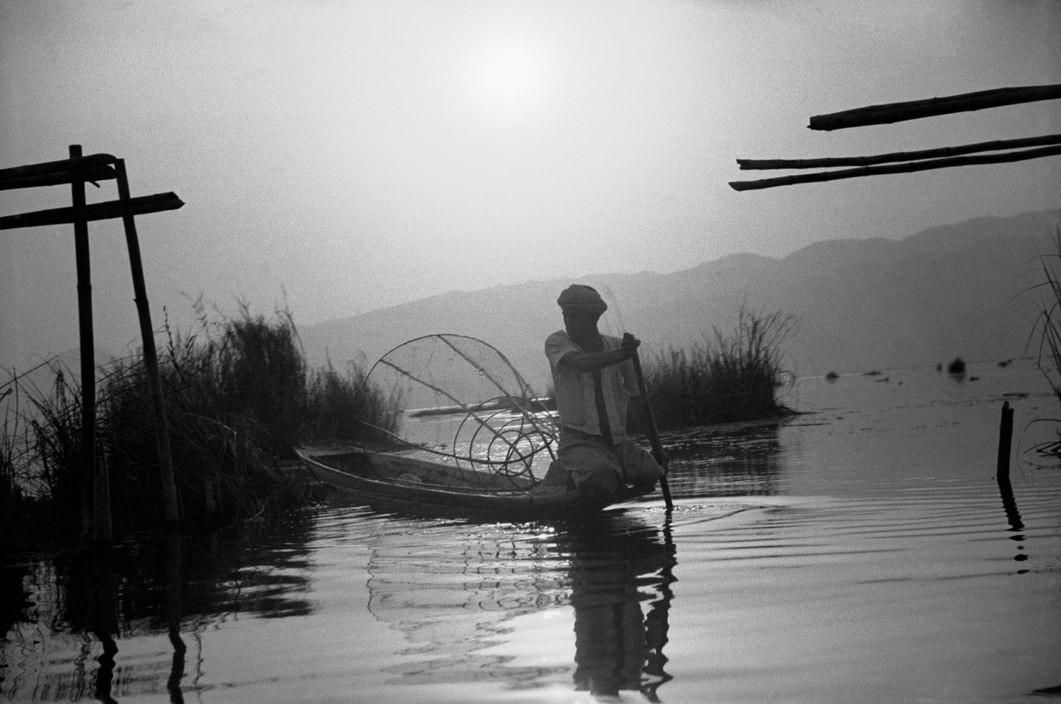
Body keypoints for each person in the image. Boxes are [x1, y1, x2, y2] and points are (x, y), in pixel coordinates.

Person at [541, 284, 664, 500]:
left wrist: (658, 448)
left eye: (575, 316)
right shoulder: (557, 342)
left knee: (651, 472)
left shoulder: (616, 348)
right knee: (601, 475)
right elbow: (580, 363)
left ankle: (599, 473)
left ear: (592, 319)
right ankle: (569, 472)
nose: (568, 322)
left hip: (616, 441)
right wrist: (623, 354)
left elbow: (638, 400)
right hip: (578, 441)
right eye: (565, 315)